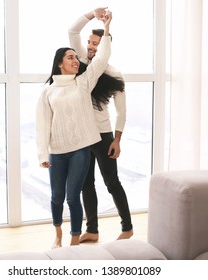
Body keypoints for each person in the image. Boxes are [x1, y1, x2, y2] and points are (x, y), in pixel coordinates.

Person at [35, 10, 113, 248]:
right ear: (60, 63)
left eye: (75, 58)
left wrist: (106, 28)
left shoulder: (83, 82)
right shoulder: (48, 91)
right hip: (57, 151)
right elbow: (42, 124)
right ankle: (58, 234)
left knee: (72, 197)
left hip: (80, 149)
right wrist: (43, 154)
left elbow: (101, 59)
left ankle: (74, 240)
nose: (75, 60)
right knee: (56, 197)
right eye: (70, 57)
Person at [68, 7, 133, 242]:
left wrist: (117, 139)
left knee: (112, 182)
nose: (91, 47)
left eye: (96, 43)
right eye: (90, 43)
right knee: (86, 184)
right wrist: (90, 14)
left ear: (105, 45)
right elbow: (72, 30)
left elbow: (121, 111)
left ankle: (127, 227)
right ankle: (92, 230)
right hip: (82, 136)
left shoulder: (115, 75)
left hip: (104, 136)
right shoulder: (81, 62)